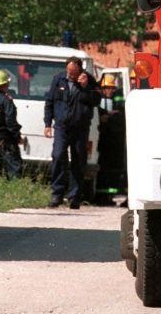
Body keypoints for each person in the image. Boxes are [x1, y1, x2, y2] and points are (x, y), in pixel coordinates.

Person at [43, 56, 100, 209]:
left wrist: (86, 87)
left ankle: (74, 197)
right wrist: (47, 123)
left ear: (80, 70)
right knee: (58, 155)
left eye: (73, 73)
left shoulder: (89, 80)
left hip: (80, 128)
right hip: (61, 126)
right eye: (68, 71)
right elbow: (50, 102)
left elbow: (96, 101)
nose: (70, 75)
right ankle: (57, 194)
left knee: (78, 161)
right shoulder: (59, 79)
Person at [97, 74, 126, 196]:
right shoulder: (98, 100)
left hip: (115, 139)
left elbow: (120, 115)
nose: (110, 90)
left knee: (114, 167)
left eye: (111, 88)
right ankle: (101, 194)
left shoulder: (118, 100)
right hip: (102, 138)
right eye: (107, 87)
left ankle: (110, 194)